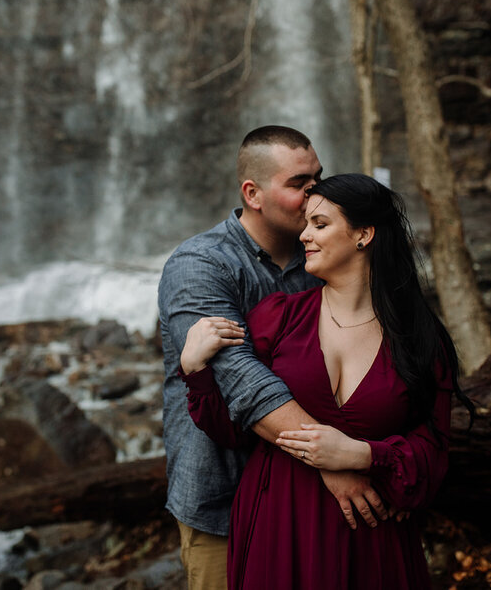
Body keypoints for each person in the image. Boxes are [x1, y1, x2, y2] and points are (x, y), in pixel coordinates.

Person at [179, 173, 474, 589]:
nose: (304, 235)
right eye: (305, 224)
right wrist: (197, 372)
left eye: (319, 224)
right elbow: (230, 429)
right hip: (279, 521)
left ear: (364, 235)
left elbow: (432, 452)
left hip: (372, 534)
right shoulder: (277, 317)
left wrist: (362, 456)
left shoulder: (418, 338)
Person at [159, 128, 390, 590]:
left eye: (319, 179)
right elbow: (240, 381)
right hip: (224, 501)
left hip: (318, 505)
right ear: (253, 193)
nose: (315, 194)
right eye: (299, 183)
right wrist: (333, 461)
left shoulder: (329, 259)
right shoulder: (200, 266)